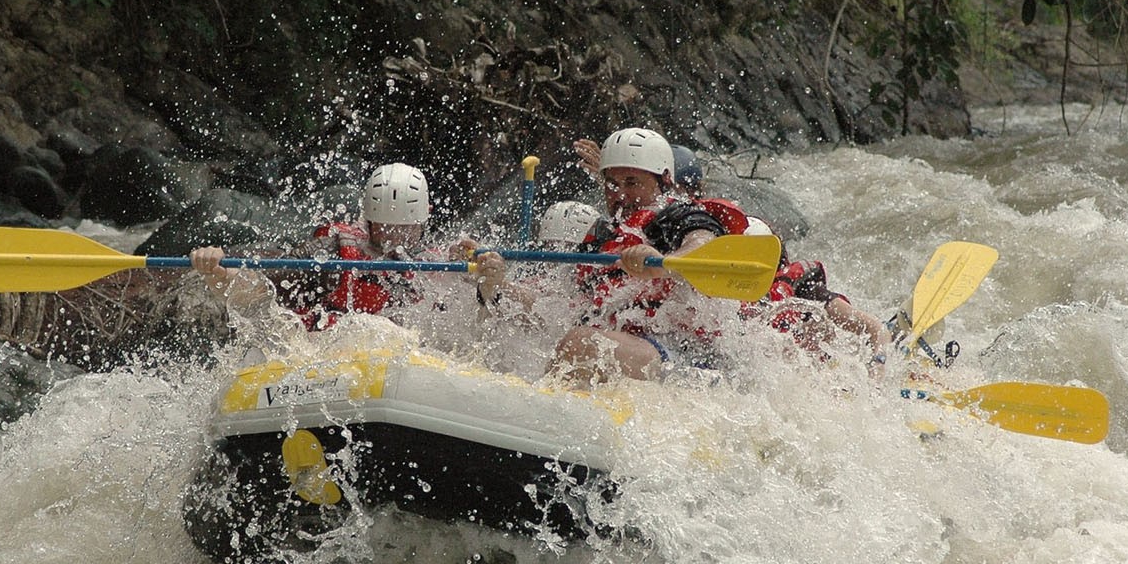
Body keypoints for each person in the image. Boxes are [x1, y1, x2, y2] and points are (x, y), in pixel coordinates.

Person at [189, 162, 507, 329]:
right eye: (385, 225)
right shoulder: (329, 255)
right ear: (367, 221)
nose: (394, 236)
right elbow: (257, 287)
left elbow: (475, 332)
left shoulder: (437, 265)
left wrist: (486, 284)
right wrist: (217, 272)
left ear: (424, 222)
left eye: (405, 228)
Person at [550, 127, 736, 386]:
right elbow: (553, 304)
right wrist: (497, 285)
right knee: (566, 338)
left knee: (582, 344)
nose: (620, 195)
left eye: (632, 182)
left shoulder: (677, 217)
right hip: (633, 348)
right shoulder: (605, 236)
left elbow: (702, 243)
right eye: (612, 185)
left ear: (665, 180)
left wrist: (662, 264)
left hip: (688, 356)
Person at [738, 217, 891, 376]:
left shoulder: (805, 291)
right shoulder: (724, 305)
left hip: (822, 373)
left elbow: (877, 330)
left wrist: (877, 365)